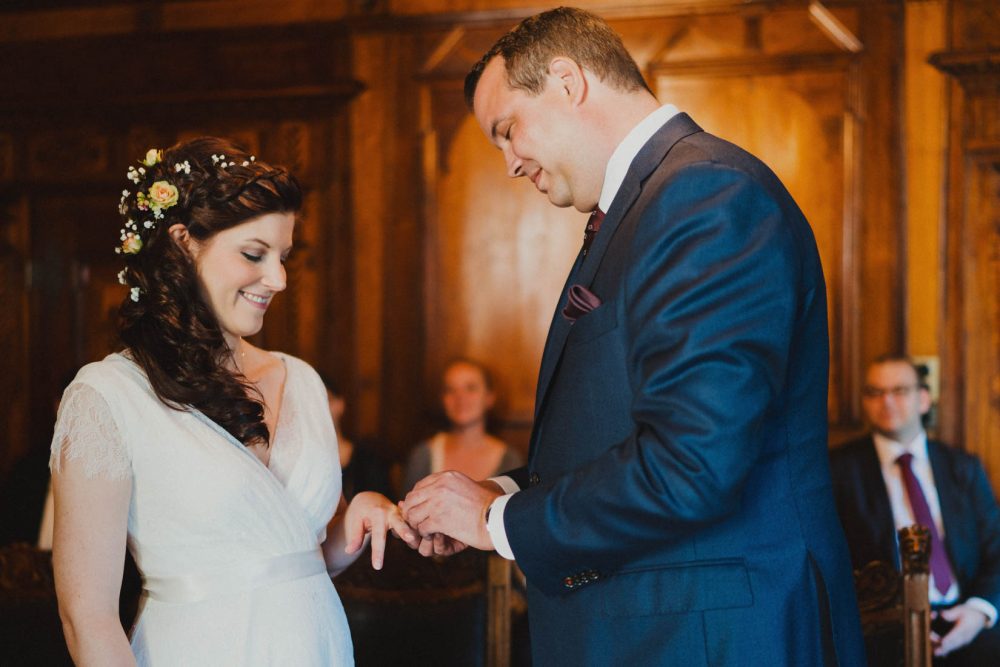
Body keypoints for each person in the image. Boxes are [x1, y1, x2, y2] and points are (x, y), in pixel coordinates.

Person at [400, 7, 865, 665]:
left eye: (507, 130)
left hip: (715, 637)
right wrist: (497, 496)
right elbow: (616, 435)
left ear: (567, 81)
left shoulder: (704, 195)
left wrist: (496, 522)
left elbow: (692, 463)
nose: (507, 162)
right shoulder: (648, 205)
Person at [49, 137, 417, 666]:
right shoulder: (108, 397)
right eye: (254, 254)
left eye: (284, 257)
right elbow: (87, 617)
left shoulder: (303, 381)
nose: (279, 279)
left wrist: (357, 515)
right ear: (183, 243)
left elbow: (296, 556)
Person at [830, 355, 1000, 664]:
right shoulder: (839, 470)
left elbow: (997, 549)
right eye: (874, 392)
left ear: (923, 399)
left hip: (965, 616)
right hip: (883, 629)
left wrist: (978, 611)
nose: (887, 401)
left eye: (899, 391)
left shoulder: (963, 467)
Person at [401, 359, 523, 494]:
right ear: (443, 399)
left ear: (489, 397)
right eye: (450, 390)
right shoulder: (423, 455)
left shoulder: (510, 459)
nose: (460, 397)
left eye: (470, 388)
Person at [318, 372, 394, 502]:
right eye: (311, 404)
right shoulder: (299, 465)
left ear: (340, 404)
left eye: (326, 400)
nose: (319, 409)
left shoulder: (368, 459)